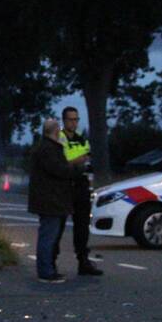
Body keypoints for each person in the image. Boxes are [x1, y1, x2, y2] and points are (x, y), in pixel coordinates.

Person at [28, 118, 85, 283]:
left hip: (48, 198)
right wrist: (77, 168)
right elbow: (58, 170)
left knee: (48, 234)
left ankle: (47, 269)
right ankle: (46, 272)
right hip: (51, 200)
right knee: (48, 236)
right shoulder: (49, 149)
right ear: (56, 131)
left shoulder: (43, 148)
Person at [56, 107, 104, 276]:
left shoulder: (82, 140)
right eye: (70, 119)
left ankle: (83, 261)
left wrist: (76, 161)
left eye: (76, 119)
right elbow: (62, 163)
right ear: (64, 120)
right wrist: (77, 160)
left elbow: (86, 162)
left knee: (82, 226)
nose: (74, 123)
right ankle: (51, 262)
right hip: (64, 187)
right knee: (58, 226)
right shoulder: (58, 139)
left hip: (81, 187)